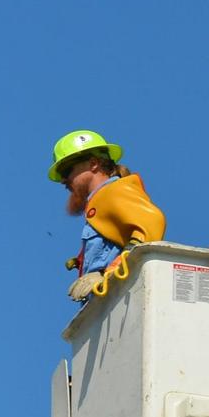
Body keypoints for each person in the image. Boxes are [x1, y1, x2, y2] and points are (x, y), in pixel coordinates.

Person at [48, 129, 166, 301]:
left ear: (93, 163)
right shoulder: (100, 200)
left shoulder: (114, 191)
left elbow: (152, 222)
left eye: (66, 171)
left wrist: (109, 271)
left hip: (120, 299)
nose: (63, 180)